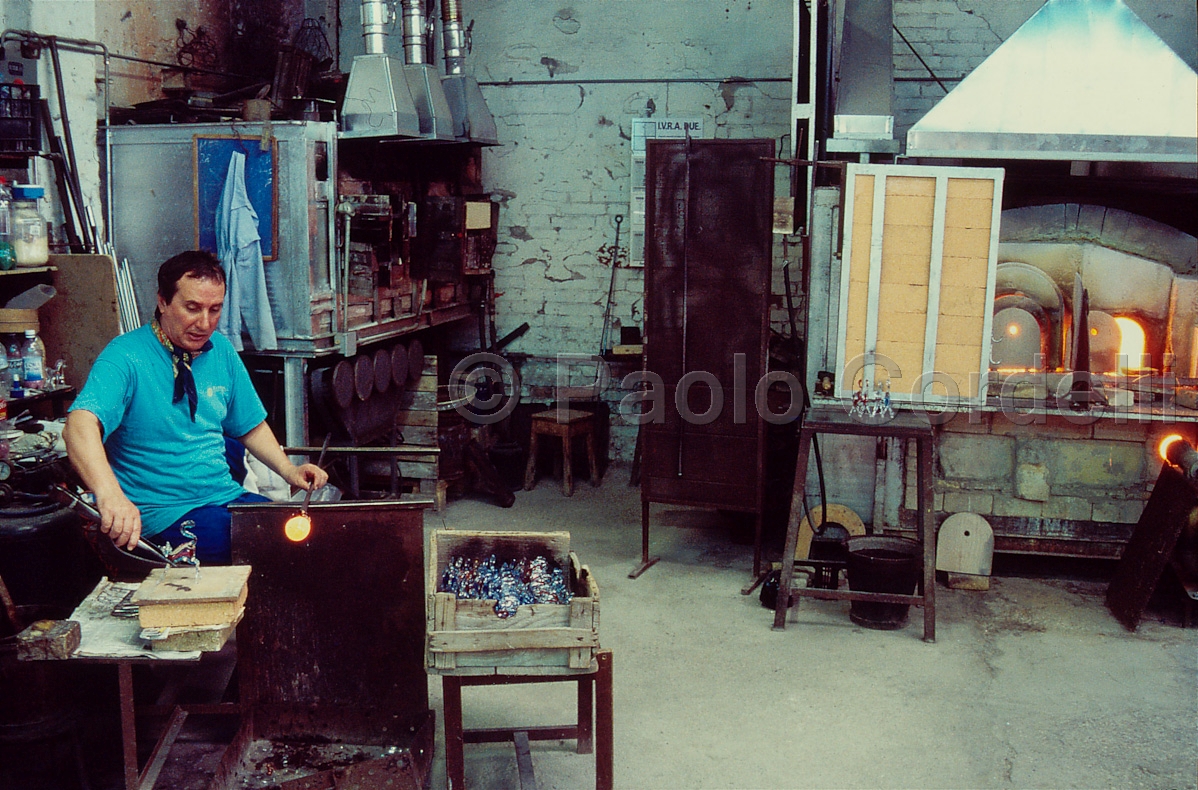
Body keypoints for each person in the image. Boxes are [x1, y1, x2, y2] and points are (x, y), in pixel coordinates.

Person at [63, 250, 327, 564]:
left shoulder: (221, 352)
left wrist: (289, 470)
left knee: (307, 533)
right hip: (164, 514)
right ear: (163, 301)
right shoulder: (124, 357)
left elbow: (248, 424)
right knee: (270, 543)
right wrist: (110, 496)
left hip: (223, 497)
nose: (205, 323)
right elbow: (78, 425)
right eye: (192, 308)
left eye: (215, 309)